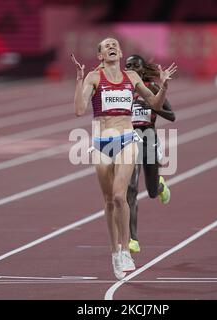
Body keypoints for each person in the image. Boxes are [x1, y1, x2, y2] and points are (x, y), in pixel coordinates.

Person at [71, 38, 177, 279]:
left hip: (127, 140)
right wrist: (79, 79)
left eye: (115, 45)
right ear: (100, 55)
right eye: (106, 46)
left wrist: (164, 87)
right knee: (108, 201)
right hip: (101, 143)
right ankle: (115, 252)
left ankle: (127, 247)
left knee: (121, 196)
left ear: (119, 52)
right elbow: (79, 109)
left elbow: (155, 104)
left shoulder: (132, 78)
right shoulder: (94, 78)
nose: (111, 47)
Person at [124, 54, 176, 253]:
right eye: (127, 66)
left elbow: (172, 116)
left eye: (135, 66)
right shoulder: (123, 91)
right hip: (129, 142)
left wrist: (153, 106)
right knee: (131, 189)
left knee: (152, 192)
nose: (130, 69)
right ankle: (133, 239)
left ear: (142, 69)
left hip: (149, 141)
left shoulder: (151, 88)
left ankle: (160, 185)